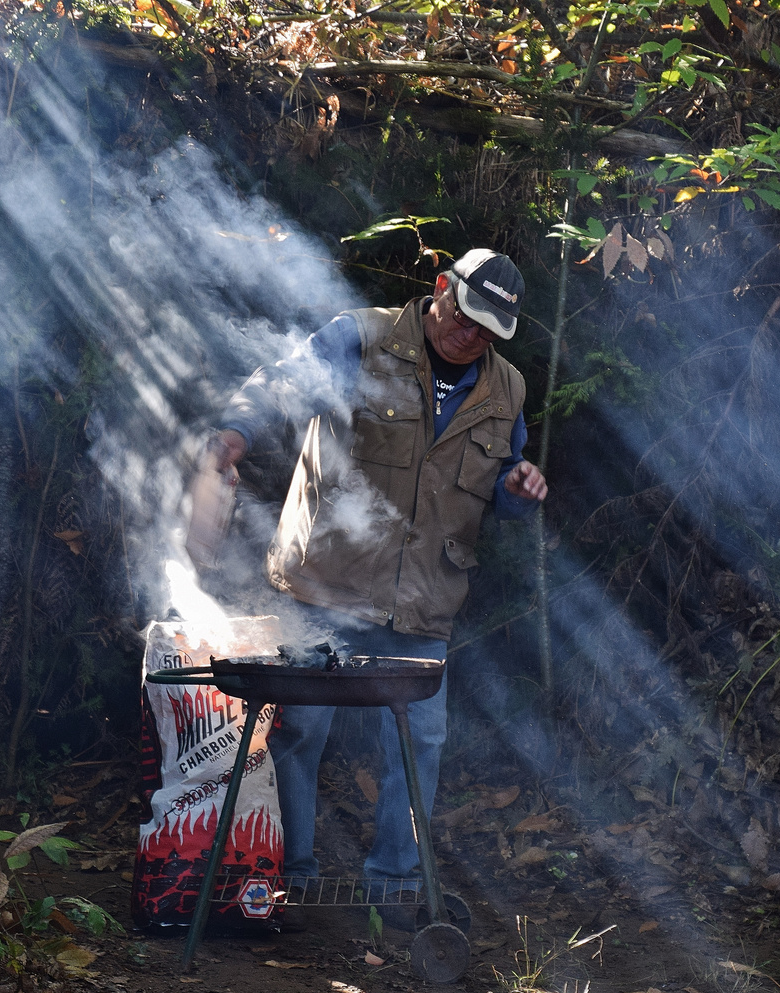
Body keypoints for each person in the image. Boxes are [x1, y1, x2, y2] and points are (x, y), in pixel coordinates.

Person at [213, 248, 548, 929]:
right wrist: (233, 436)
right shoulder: (360, 340)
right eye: (467, 317)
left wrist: (519, 491)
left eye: (490, 330)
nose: (473, 336)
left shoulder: (507, 389)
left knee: (420, 743)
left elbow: (501, 487)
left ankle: (395, 885)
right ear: (439, 290)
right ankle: (291, 881)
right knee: (300, 731)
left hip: (424, 601)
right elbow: (281, 385)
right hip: (324, 586)